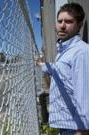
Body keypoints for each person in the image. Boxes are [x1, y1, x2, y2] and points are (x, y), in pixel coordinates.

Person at [36, 3, 89, 135]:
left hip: (75, 127)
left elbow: (84, 96)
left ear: (80, 25)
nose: (62, 25)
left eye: (69, 21)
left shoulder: (81, 52)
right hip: (66, 123)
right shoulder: (65, 49)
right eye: (60, 21)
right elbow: (60, 71)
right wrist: (43, 65)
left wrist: (82, 130)